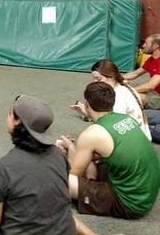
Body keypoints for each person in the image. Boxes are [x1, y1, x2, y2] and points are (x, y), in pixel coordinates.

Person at [0, 95, 94, 235]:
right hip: (61, 229)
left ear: (17, 122)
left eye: (10, 113)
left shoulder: (2, 167)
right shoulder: (58, 155)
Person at [59, 82, 160, 219]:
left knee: (59, 180)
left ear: (86, 103)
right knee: (93, 158)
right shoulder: (125, 118)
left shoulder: (91, 134)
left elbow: (73, 175)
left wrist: (71, 148)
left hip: (130, 204)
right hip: (144, 194)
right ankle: (92, 181)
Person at [71, 59, 151, 140]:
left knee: (90, 139)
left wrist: (88, 114)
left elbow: (114, 126)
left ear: (112, 77)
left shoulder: (119, 97)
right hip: (140, 133)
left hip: (134, 139)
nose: (95, 82)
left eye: (98, 79)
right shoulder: (124, 88)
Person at [122, 34, 160, 108]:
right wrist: (114, 77)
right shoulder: (152, 59)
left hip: (157, 95)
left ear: (155, 46)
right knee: (125, 85)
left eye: (146, 43)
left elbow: (151, 85)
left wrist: (130, 91)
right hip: (155, 92)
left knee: (133, 97)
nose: (143, 46)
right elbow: (135, 74)